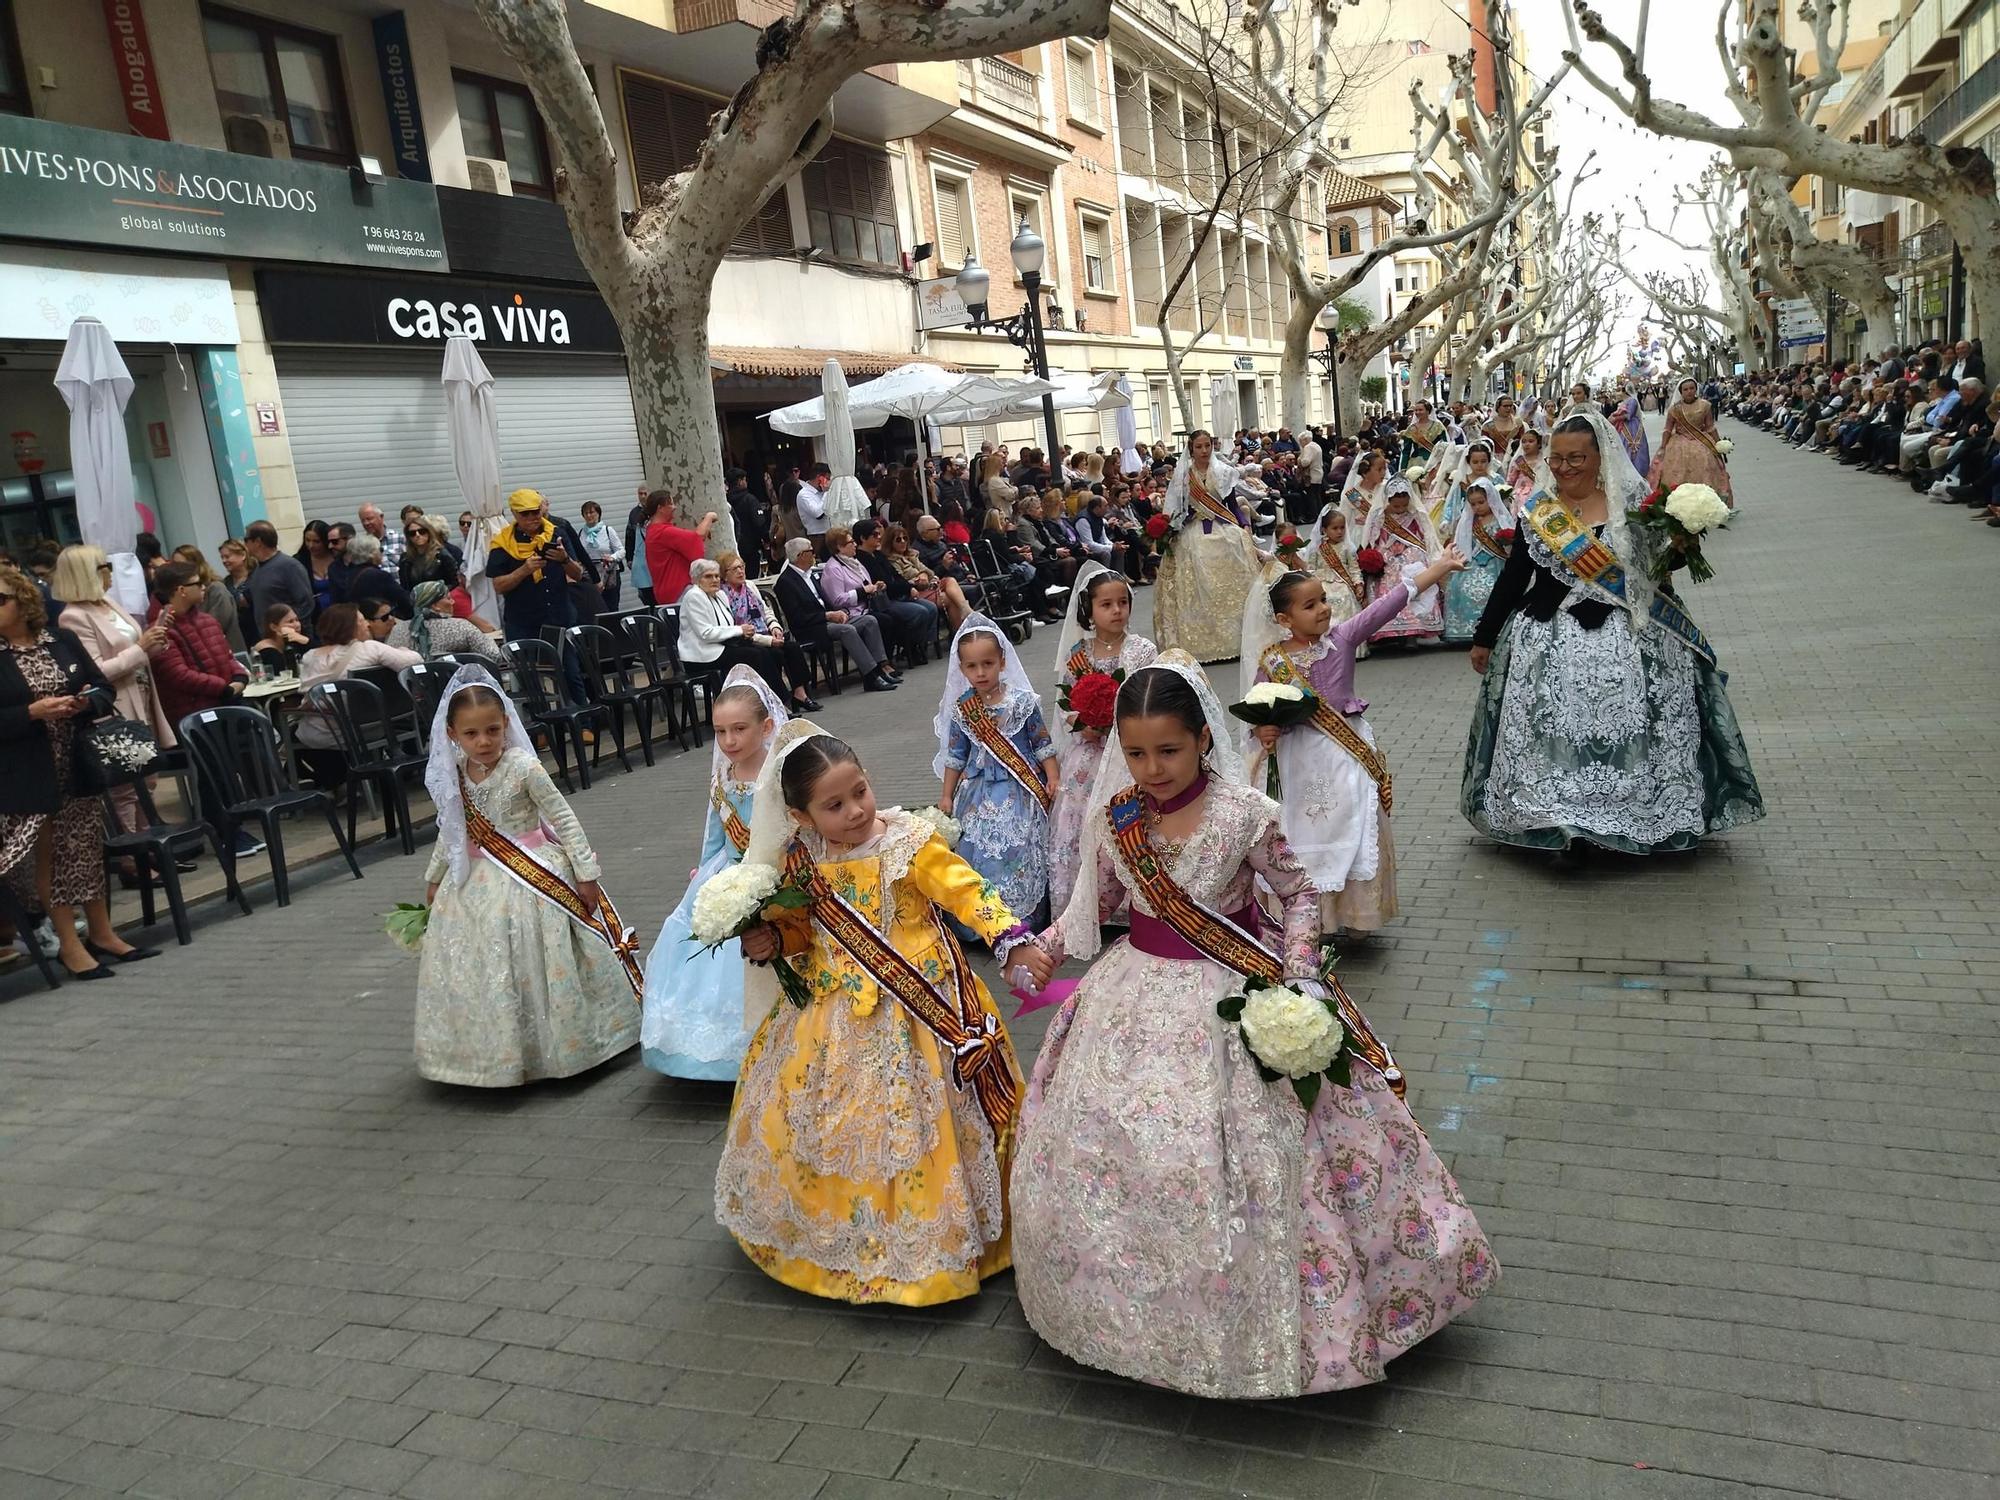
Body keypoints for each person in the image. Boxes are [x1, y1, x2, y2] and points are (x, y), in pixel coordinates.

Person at [1008, 657, 1497, 1397]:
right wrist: (1043, 949)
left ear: (1203, 738)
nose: (1151, 768)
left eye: (1167, 750)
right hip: (1130, 995)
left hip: (1235, 993)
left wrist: (1297, 973)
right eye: (1135, 753)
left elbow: (1298, 890)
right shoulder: (1116, 818)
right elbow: (1093, 902)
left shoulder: (1244, 813)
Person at [719, 726, 1047, 1303]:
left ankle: (936, 1245)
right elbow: (801, 932)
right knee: (830, 1128)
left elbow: (967, 890)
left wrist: (1010, 938)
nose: (855, 811)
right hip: (830, 1015)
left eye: (861, 791)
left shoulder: (907, 843)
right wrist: (772, 938)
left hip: (920, 1008)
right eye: (834, 805)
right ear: (799, 816)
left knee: (922, 1128)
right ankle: (837, 1242)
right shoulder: (800, 864)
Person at [1463, 413, 1765, 854]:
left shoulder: (1634, 509)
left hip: (1631, 636)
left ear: (1600, 457)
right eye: (1557, 458)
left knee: (1633, 729)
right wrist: (1485, 635)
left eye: (1576, 458)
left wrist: (1684, 542)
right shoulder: (1540, 512)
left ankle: (1634, 812)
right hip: (1550, 639)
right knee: (1556, 735)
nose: (1565, 468)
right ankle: (1560, 820)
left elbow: (1657, 572)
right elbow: (1513, 579)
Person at [417, 667, 641, 1086]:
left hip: (535, 873)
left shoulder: (522, 766)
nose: (483, 742)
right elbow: (451, 829)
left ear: (507, 725)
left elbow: (563, 817)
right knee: (486, 964)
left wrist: (585, 872)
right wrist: (435, 876)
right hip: (477, 881)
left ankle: (568, 1045)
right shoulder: (458, 774)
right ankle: (490, 1053)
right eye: (471, 734)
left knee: (541, 960)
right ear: (452, 734)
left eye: (492, 730)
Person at [1242, 552, 1465, 935]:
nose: (1323, 610)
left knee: (1354, 826)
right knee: (1300, 831)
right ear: (1284, 619)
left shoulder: (1341, 639)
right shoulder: (1272, 662)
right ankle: (1305, 916)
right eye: (1310, 605)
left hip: (1343, 754)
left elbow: (1387, 604)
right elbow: (1261, 708)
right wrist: (1263, 731)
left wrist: (1438, 569)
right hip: (1297, 760)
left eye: (1324, 600)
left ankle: (1355, 913)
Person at [0, 564, 161, 979]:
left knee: (87, 847)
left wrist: (85, 703)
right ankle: (70, 944)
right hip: (26, 770)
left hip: (76, 759)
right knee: (51, 856)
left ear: (24, 601)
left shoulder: (60, 639)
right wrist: (30, 712)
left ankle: (104, 933)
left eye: (1, 600)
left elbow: (102, 687)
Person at [639, 668, 784, 1080]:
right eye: (720, 732)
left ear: (767, 726)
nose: (730, 741)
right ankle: (708, 1053)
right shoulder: (722, 777)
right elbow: (716, 834)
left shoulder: (777, 776)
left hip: (768, 873)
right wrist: (703, 873)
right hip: (728, 873)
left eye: (739, 729)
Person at [936, 615, 1059, 927]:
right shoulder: (963, 710)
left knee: (1021, 847)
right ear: (962, 668)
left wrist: (1053, 777)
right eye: (972, 666)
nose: (981, 672)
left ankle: (1021, 916)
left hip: (1020, 790)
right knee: (975, 850)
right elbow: (955, 756)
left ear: (1002, 662)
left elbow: (1042, 742)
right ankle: (981, 923)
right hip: (978, 792)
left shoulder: (1023, 703)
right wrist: (946, 796)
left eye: (987, 663)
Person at [1047, 566, 1156, 915]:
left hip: (1128, 752)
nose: (1117, 611)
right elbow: (1066, 700)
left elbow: (1151, 696)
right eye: (1106, 604)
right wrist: (1082, 723)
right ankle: (1084, 907)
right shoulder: (1079, 654)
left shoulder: (1141, 650)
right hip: (1088, 754)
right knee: (1079, 822)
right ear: (1089, 610)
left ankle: (1130, 904)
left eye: (1122, 602)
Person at [51, 545, 175, 837]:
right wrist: (140, 648)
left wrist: (156, 637)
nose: (109, 572)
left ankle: (153, 842)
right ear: (85, 574)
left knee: (149, 776)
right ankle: (135, 853)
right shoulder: (73, 617)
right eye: (102, 566)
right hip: (117, 706)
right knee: (126, 785)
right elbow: (97, 673)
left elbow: (137, 649)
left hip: (142, 694)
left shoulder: (107, 603)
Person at [1152, 430, 1267, 663]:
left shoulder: (1224, 473)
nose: (1204, 451)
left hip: (1223, 528)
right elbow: (1175, 510)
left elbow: (1232, 505)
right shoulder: (1184, 477)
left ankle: (1238, 638)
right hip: (1193, 533)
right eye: (1199, 447)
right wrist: (1168, 531)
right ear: (1191, 449)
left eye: (1207, 446)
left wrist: (1244, 525)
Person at [293, 604, 423, 787]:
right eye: (362, 621)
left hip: (322, 733)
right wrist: (403, 651)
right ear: (350, 627)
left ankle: (328, 784)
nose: (367, 625)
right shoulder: (370, 649)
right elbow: (415, 662)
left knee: (290, 730)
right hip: (369, 729)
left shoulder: (309, 657)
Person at [488, 489, 588, 703]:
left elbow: (578, 574)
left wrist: (564, 560)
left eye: (535, 512)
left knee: (571, 674)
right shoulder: (503, 543)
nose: (532, 518)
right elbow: (498, 585)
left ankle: (583, 724)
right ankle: (543, 727)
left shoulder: (556, 533)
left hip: (558, 617)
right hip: (523, 621)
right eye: (525, 514)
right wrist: (524, 570)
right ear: (514, 514)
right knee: (529, 680)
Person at [771, 537, 897, 694]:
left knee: (869, 620)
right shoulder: (786, 582)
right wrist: (827, 616)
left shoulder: (811, 575)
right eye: (811, 551)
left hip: (828, 620)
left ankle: (880, 666)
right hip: (811, 627)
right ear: (800, 556)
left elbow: (826, 601)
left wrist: (841, 612)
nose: (814, 554)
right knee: (848, 630)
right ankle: (870, 676)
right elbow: (797, 617)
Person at [677, 559, 799, 708]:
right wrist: (739, 630)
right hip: (702, 654)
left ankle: (772, 702)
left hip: (722, 646)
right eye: (708, 576)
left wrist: (743, 632)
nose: (715, 580)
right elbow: (706, 633)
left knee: (769, 652)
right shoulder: (694, 596)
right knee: (755, 655)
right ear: (696, 579)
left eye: (716, 576)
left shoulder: (719, 595)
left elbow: (726, 625)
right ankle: (776, 704)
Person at [715, 554, 818, 712]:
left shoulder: (749, 586)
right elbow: (735, 627)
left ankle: (800, 694)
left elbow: (765, 610)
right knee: (771, 654)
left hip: (765, 633)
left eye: (742, 567)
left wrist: (775, 626)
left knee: (792, 647)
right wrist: (768, 641)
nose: (740, 571)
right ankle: (779, 702)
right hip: (745, 638)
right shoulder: (722, 595)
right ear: (724, 573)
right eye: (734, 569)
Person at [1356, 476, 1444, 645]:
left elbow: (1423, 537)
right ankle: (1387, 631)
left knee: (1414, 585)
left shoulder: (1415, 515)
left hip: (1410, 555)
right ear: (1387, 500)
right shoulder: (1380, 516)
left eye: (1404, 505)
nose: (1400, 509)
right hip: (1387, 556)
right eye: (1396, 506)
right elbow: (1374, 538)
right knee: (1387, 586)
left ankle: (1412, 632)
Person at [851, 518, 939, 665]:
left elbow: (896, 576)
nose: (879, 537)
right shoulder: (862, 560)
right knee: (919, 612)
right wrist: (907, 586)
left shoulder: (878, 555)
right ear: (862, 538)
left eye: (879, 534)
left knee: (931, 608)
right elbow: (885, 584)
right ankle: (910, 645)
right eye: (875, 534)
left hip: (899, 594)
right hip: (884, 600)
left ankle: (916, 645)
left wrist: (909, 587)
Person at [1440, 476, 1514, 644]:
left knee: (1495, 589)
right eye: (1473, 504)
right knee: (1461, 587)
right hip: (1472, 561)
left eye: (1481, 502)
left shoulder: (1501, 519)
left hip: (1496, 561)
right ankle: (1464, 629)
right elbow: (1462, 544)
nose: (1477, 507)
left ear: (1490, 499)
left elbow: (1511, 544)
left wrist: (1506, 541)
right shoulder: (1468, 522)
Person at [1649, 377, 1734, 504]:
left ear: (1696, 389)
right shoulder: (1674, 409)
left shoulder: (1705, 405)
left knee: (1706, 464)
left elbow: (1710, 427)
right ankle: (1678, 503)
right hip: (1678, 444)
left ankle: (1708, 502)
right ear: (1681, 392)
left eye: (1691, 388)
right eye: (1685, 389)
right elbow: (1667, 429)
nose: (1689, 391)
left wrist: (1718, 443)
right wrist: (1662, 447)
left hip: (1701, 441)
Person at [386, 581, 504, 665]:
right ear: (435, 606)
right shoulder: (461, 626)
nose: (453, 602)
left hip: (415, 694)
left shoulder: (398, 630)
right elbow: (493, 656)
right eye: (448, 598)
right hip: (460, 693)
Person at [884, 522, 969, 630]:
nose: (903, 542)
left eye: (905, 538)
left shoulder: (912, 554)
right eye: (898, 540)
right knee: (950, 599)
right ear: (890, 542)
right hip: (914, 591)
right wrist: (921, 576)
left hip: (929, 586)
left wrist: (924, 574)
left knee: (950, 581)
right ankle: (960, 631)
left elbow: (929, 572)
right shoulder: (890, 560)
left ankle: (964, 611)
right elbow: (902, 579)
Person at [242, 521, 316, 641]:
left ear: (258, 542)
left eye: (246, 540)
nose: (244, 544)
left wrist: (289, 628)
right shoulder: (257, 570)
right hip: (269, 640)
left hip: (292, 640)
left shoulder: (289, 566)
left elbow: (306, 603)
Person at [641, 493, 715, 606]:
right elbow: (697, 537)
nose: (675, 507)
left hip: (666, 592)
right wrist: (709, 517)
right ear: (660, 508)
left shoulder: (653, 530)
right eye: (671, 504)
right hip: (679, 592)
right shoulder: (663, 532)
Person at [169, 545, 246, 653]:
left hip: (228, 653)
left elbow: (213, 629)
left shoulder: (216, 590)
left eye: (182, 565)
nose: (178, 570)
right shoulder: (184, 594)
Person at [1305, 502, 1368, 632]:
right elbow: (1310, 570)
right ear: (1324, 530)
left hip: (1344, 585)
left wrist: (1359, 584)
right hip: (1322, 585)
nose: (1339, 532)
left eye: (1342, 528)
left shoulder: (1348, 548)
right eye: (1335, 528)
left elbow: (1354, 569)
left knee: (1345, 601)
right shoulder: (1317, 548)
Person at [335, 532, 414, 618]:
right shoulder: (379, 576)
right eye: (380, 549)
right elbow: (404, 599)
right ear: (371, 554)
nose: (382, 553)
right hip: (380, 621)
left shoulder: (351, 573)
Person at [577, 500, 626, 613]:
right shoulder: (581, 533)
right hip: (590, 576)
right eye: (586, 513)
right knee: (593, 608)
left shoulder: (608, 530)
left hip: (608, 574)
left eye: (592, 512)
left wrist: (612, 557)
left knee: (611, 607)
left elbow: (621, 550)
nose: (589, 516)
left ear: (598, 513)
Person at [399, 515, 459, 591]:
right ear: (409, 537)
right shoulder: (405, 559)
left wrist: (438, 593)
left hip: (440, 599)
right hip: (416, 600)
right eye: (412, 533)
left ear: (429, 533)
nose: (417, 535)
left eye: (422, 532)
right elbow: (405, 587)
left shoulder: (442, 555)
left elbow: (454, 582)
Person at [252, 603, 311, 675]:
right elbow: (283, 672)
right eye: (290, 621)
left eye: (297, 620)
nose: (297, 625)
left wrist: (306, 641)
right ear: (274, 627)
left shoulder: (296, 639)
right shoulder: (266, 649)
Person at [1506, 427, 1550, 505]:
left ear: (1539, 443)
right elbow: (1510, 481)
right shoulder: (1519, 461)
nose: (1527, 444)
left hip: (1539, 495)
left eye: (1531, 441)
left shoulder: (1544, 460)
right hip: (1519, 496)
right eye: (1524, 442)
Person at [358, 503, 404, 574]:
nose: (366, 523)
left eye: (369, 519)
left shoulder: (399, 538)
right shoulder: (362, 545)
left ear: (381, 517)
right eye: (363, 520)